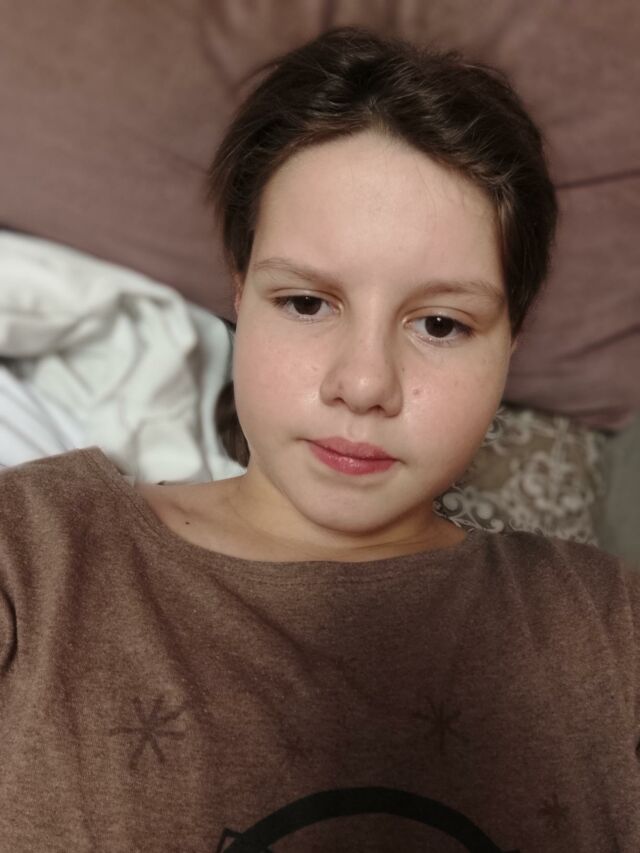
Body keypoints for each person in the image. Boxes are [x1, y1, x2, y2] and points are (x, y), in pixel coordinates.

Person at [0, 26, 638, 853]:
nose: (364, 383)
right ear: (241, 294)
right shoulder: (33, 555)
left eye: (441, 324)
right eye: (307, 303)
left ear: (509, 345)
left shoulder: (609, 628)